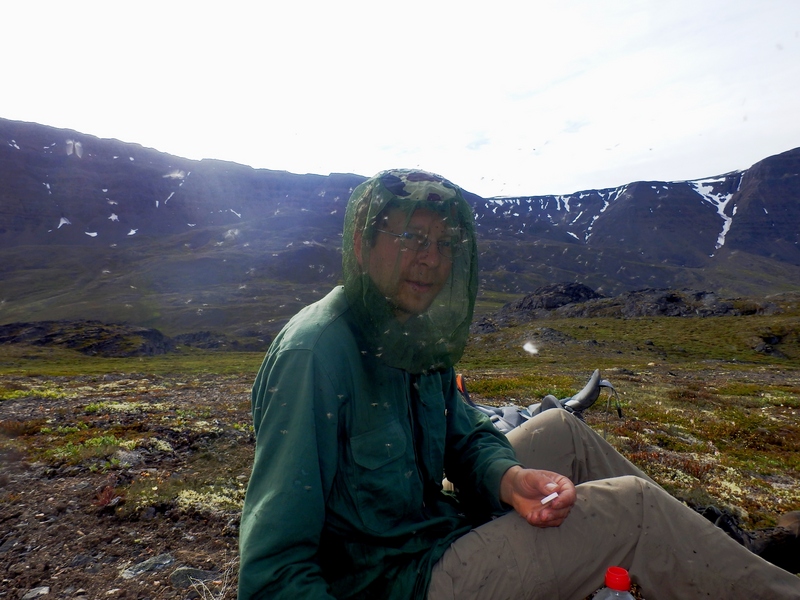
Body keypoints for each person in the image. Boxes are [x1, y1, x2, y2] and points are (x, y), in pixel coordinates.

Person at [238, 169, 800, 599]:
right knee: (633, 509)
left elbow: (464, 436)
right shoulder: (316, 355)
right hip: (398, 580)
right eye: (410, 238)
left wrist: (507, 477)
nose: (430, 260)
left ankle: (712, 558)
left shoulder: (408, 330)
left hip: (429, 529)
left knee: (561, 430)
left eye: (444, 243)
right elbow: (271, 568)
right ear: (363, 246)